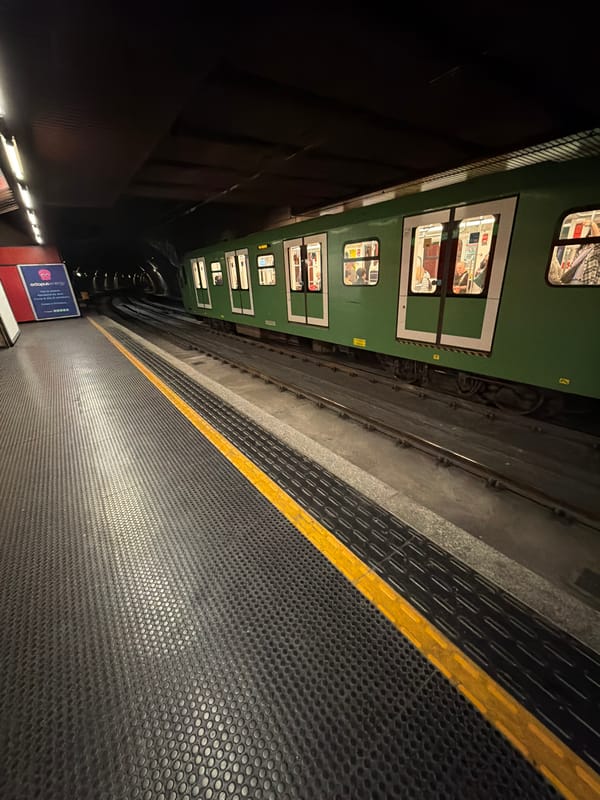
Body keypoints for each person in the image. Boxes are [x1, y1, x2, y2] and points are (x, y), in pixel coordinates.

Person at [560, 220, 600, 285]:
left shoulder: (596, 249)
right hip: (572, 278)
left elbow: (597, 239)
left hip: (585, 279)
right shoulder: (583, 247)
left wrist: (592, 223)